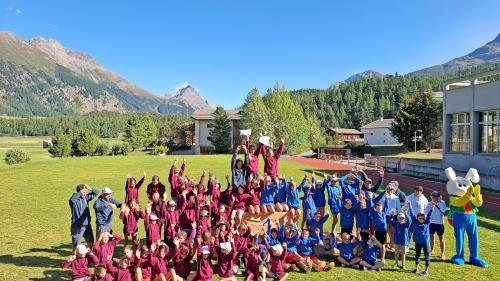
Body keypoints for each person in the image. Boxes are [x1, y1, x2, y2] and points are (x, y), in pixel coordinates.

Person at [69, 184, 99, 255]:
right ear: (79, 191)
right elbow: (71, 200)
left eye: (85, 192)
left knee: (91, 242)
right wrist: (81, 192)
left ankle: (89, 258)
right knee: (76, 245)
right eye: (83, 192)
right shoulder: (74, 200)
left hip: (87, 225)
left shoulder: (86, 198)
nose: (85, 194)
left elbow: (96, 192)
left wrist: (90, 188)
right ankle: (74, 259)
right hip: (77, 226)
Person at [408, 201, 433, 276]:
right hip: (418, 242)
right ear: (417, 218)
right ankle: (417, 268)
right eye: (420, 218)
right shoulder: (415, 222)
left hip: (426, 243)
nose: (421, 219)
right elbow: (412, 214)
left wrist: (432, 208)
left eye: (423, 218)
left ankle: (426, 270)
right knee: (417, 255)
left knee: (427, 256)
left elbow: (429, 215)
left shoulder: (427, 223)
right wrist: (410, 206)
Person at [426, 191, 446, 260]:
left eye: (434, 197)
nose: (433, 198)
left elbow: (443, 211)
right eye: (432, 197)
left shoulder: (442, 203)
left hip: (440, 223)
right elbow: (426, 212)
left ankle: (442, 253)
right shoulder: (429, 204)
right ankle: (432, 251)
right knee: (431, 237)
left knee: (441, 239)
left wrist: (437, 204)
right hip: (431, 223)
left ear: (438, 197)